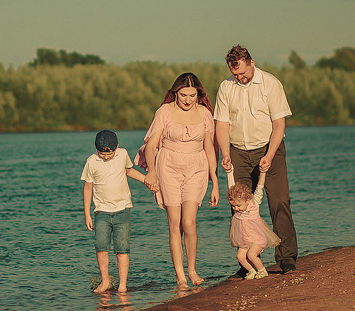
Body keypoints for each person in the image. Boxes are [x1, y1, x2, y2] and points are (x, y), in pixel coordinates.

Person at [214, 45, 299, 274]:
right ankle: (248, 262)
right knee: (239, 207)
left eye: (243, 73)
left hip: (269, 148)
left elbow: (279, 124)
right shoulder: (226, 87)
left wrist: (269, 156)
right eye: (235, 74)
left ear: (251, 62)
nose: (240, 78)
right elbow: (221, 124)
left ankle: (286, 257)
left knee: (279, 202)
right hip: (238, 152)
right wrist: (225, 154)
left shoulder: (271, 84)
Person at [139, 72, 220, 287]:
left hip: (197, 167)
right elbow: (151, 145)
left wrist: (215, 183)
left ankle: (192, 270)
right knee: (175, 223)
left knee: (189, 222)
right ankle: (180, 276)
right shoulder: (164, 111)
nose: (187, 100)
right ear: (175, 93)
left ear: (198, 94)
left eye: (192, 95)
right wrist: (152, 172)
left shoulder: (204, 114)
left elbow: (210, 150)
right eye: (183, 94)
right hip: (168, 167)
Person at [81, 129, 150, 294]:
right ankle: (105, 281)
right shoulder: (91, 161)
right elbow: (88, 188)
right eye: (101, 154)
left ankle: (122, 285)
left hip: (123, 210)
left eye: (109, 153)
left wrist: (146, 180)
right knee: (101, 248)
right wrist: (87, 214)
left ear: (117, 147)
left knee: (122, 249)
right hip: (101, 212)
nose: (105, 156)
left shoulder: (122, 154)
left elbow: (128, 170)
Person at [227, 170, 281, 279]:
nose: (236, 209)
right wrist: (230, 172)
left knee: (251, 255)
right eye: (233, 206)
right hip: (245, 239)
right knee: (240, 256)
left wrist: (263, 173)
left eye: (238, 206)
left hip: (257, 238)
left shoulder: (254, 204)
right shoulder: (237, 203)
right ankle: (252, 271)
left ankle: (262, 271)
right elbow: (231, 186)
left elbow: (260, 187)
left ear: (247, 199)